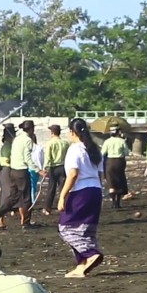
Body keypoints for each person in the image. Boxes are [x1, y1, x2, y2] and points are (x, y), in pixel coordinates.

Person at [58, 118, 104, 279]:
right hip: (95, 189)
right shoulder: (94, 149)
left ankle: (90, 253)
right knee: (86, 228)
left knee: (66, 227)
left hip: (81, 190)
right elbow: (100, 173)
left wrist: (62, 196)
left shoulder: (75, 149)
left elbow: (73, 174)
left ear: (72, 132)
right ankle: (82, 264)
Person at [0, 120, 38, 229]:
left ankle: (20, 219)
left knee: (14, 196)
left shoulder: (14, 142)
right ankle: (5, 219)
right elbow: (5, 159)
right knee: (13, 196)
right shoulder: (8, 145)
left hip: (10, 170)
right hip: (10, 170)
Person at [42, 124, 70, 215]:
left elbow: (48, 157)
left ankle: (47, 208)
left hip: (53, 167)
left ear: (52, 132)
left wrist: (45, 168)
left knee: (51, 188)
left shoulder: (50, 143)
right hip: (63, 167)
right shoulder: (65, 143)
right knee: (63, 188)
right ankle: (64, 206)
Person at [100, 125, 130, 209]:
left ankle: (113, 202)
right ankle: (118, 203)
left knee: (111, 183)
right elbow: (127, 153)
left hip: (110, 162)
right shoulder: (122, 141)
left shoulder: (107, 141)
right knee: (119, 181)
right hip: (120, 162)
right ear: (118, 132)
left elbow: (102, 153)